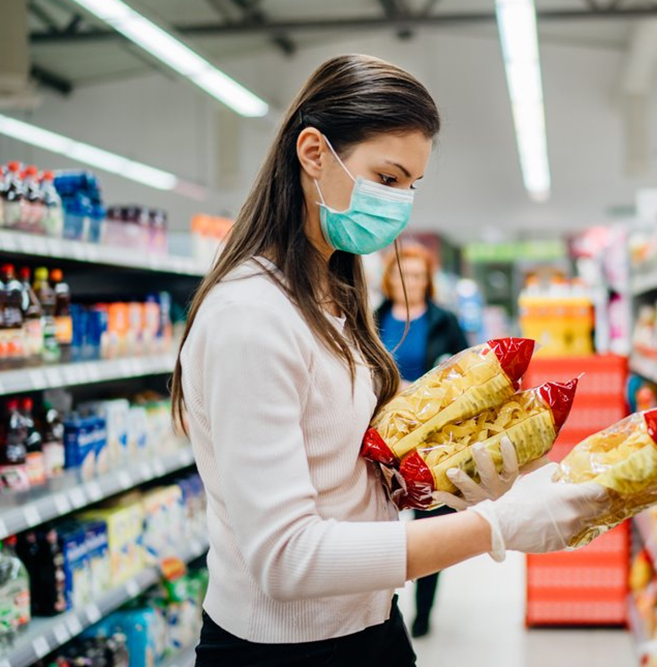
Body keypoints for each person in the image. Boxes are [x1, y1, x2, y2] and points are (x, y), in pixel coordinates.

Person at [172, 54, 607, 667]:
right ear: (314, 154)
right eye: (388, 177)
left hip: (371, 625)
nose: (401, 205)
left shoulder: (330, 296)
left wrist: (443, 488)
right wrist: (496, 529)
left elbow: (341, 478)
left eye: (411, 186)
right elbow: (285, 559)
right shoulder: (249, 317)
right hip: (285, 651)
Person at [375, 244, 467, 638]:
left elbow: (467, 372)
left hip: (432, 439)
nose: (408, 282)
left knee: (430, 523)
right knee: (381, 522)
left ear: (426, 281)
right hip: (382, 437)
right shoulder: (371, 317)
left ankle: (424, 611)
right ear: (389, 279)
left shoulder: (445, 321)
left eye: (416, 275)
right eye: (401, 274)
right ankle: (383, 604)